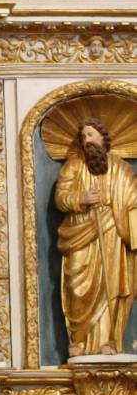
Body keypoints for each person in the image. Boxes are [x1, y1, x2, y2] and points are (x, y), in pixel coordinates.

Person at [55, 120, 137, 356]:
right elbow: (61, 198)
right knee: (78, 288)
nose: (86, 140)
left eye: (90, 135)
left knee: (111, 287)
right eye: (83, 137)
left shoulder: (120, 168)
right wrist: (81, 198)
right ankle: (78, 342)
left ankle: (108, 341)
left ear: (103, 137)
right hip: (79, 234)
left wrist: (120, 205)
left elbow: (133, 201)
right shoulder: (73, 166)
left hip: (112, 232)